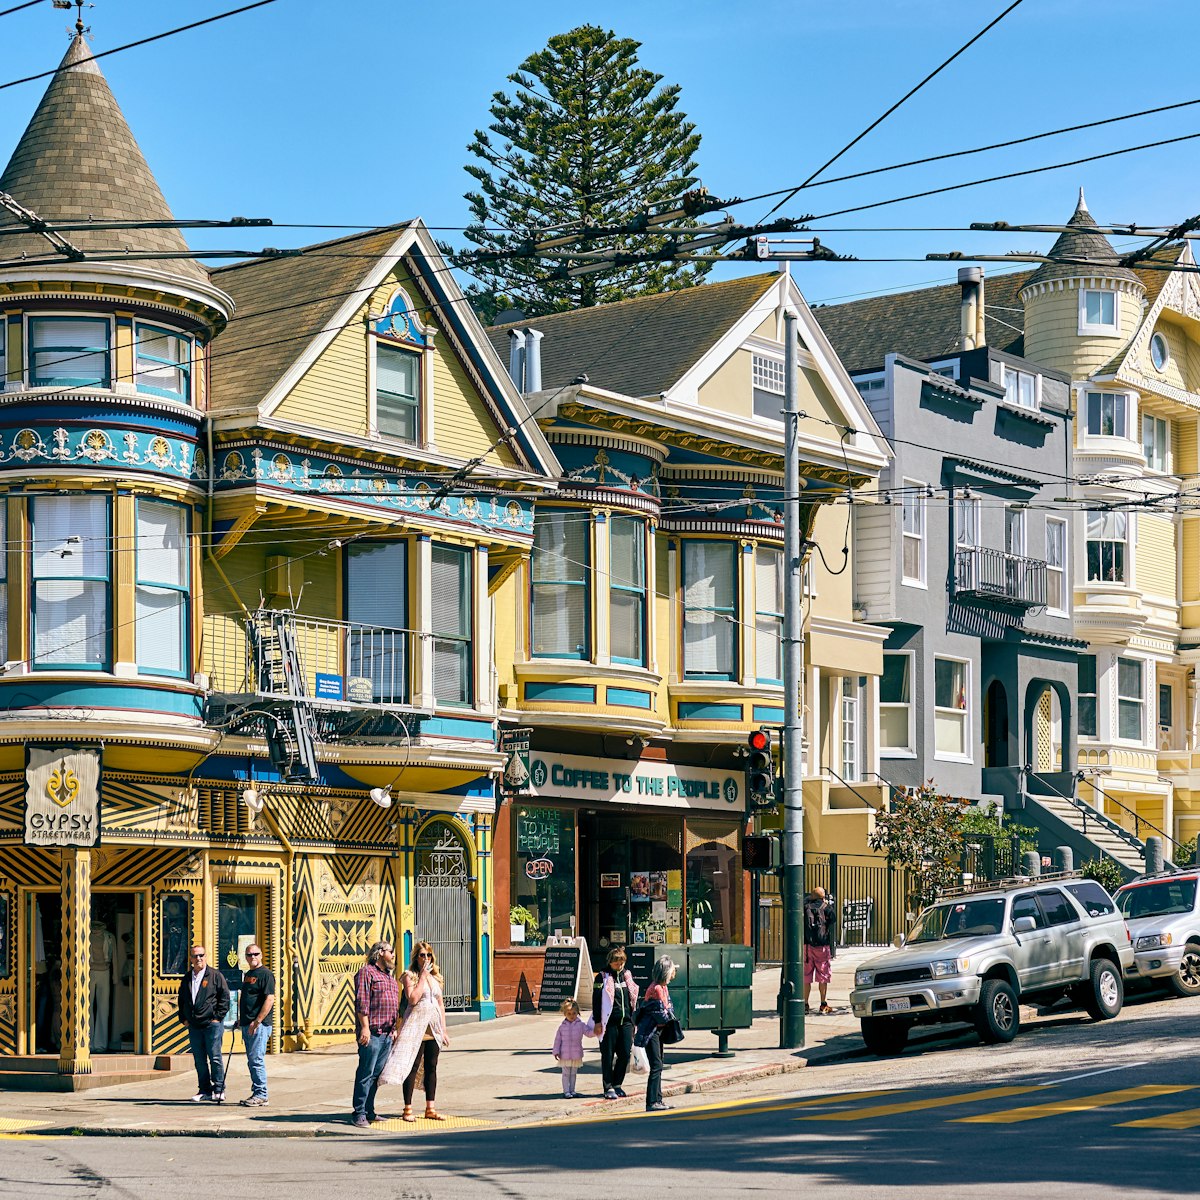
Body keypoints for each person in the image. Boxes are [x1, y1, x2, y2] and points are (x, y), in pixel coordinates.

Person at [380, 941, 451, 1121]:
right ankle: (408, 1108)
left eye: (428, 955)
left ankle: (430, 1108)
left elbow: (440, 1004)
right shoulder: (409, 976)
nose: (426, 958)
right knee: (412, 1065)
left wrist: (444, 1029)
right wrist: (422, 977)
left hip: (432, 1028)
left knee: (431, 1067)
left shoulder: (436, 978)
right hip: (415, 1027)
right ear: (416, 958)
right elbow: (412, 999)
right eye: (422, 955)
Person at [352, 941, 398, 1129]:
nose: (393, 955)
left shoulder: (388, 977)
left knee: (376, 1075)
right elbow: (362, 1002)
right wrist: (364, 1028)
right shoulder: (366, 973)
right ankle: (359, 1113)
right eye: (391, 952)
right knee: (365, 1073)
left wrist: (394, 1028)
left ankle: (369, 1110)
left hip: (387, 1035)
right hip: (372, 1034)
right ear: (379, 953)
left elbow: (393, 1005)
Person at [177, 945, 231, 1103]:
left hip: (211, 1024)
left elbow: (225, 998)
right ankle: (204, 1090)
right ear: (191, 959)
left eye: (201, 955)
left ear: (206, 957)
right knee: (199, 1059)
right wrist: (184, 1019)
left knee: (215, 1057)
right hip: (194, 1025)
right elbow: (181, 1000)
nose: (198, 958)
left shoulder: (215, 975)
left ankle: (219, 1089)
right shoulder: (187, 977)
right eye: (195, 956)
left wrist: (218, 1017)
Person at [592, 946, 639, 1100]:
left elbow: (632, 997)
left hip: (626, 1021)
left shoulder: (627, 975)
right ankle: (608, 1086)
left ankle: (617, 1084)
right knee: (607, 1055)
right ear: (610, 962)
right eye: (616, 963)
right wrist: (598, 1022)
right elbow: (596, 1000)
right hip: (609, 1022)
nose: (620, 966)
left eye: (622, 963)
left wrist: (634, 1020)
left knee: (625, 1053)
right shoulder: (602, 977)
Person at [634, 955, 677, 1112]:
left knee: (658, 1065)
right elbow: (663, 1014)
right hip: (650, 1032)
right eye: (672, 971)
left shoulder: (663, 987)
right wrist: (669, 1015)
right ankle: (652, 1101)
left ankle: (658, 1099)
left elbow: (668, 1010)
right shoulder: (657, 989)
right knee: (656, 1066)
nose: (674, 974)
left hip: (657, 1031)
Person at [238, 944, 274, 1107]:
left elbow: (269, 999)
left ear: (261, 955)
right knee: (252, 1059)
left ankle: (261, 1094)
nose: (252, 957)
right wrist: (242, 1020)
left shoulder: (265, 974)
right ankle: (257, 1092)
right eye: (249, 954)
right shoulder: (249, 974)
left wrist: (257, 1021)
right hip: (247, 1023)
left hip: (258, 1025)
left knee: (256, 1059)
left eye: (255, 954)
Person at [804, 886, 836, 1015]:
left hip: (807, 946)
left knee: (806, 976)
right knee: (823, 975)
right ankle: (823, 1004)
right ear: (823, 896)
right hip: (822, 947)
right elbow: (833, 919)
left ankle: (805, 1004)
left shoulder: (806, 907)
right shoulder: (826, 908)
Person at [552, 998, 591, 1098]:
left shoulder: (581, 1025)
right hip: (564, 1054)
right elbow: (558, 1040)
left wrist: (597, 1031)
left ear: (577, 1013)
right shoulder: (562, 1027)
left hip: (576, 1054)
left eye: (574, 1013)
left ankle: (572, 1090)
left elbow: (588, 1033)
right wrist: (556, 1051)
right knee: (565, 1074)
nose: (572, 1016)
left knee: (573, 1074)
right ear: (565, 1014)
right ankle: (566, 1091)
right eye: (569, 1014)